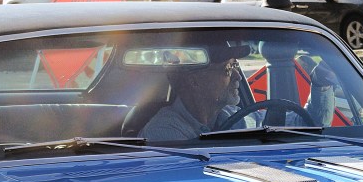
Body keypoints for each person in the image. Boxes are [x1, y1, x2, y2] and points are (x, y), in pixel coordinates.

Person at [141, 55, 337, 143]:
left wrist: (320, 82)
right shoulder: (163, 133)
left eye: (236, 65)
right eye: (228, 69)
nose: (238, 76)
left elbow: (307, 126)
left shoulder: (236, 117)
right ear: (194, 81)